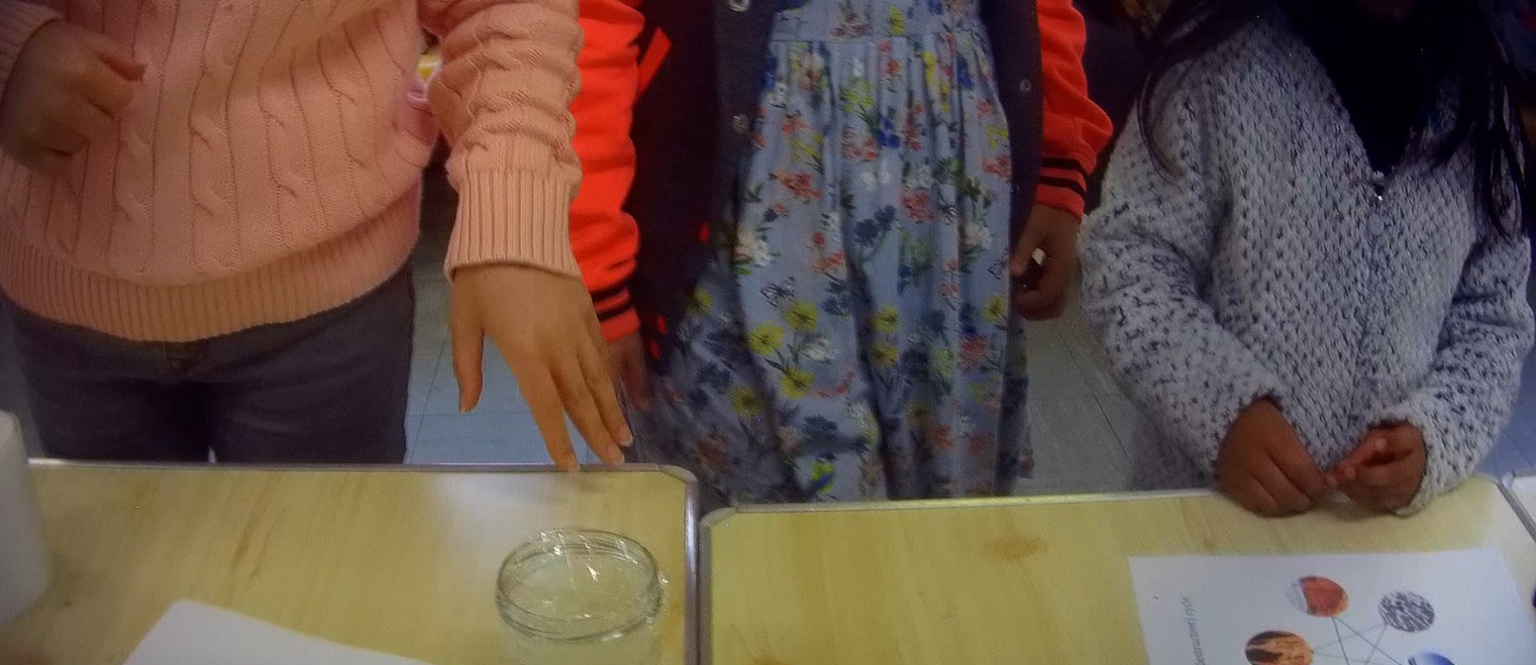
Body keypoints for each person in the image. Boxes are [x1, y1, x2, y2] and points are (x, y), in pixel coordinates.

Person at [0, 0, 627, 467]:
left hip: (330, 304)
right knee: (115, 620)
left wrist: (511, 200)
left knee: (331, 598)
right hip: (64, 285)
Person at [569, 0, 1112, 504]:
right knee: (759, 514)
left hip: (948, 171)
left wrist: (1059, 152)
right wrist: (596, 260)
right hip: (743, 179)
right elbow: (596, 17)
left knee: (942, 498)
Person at [1081, 0, 1535, 516]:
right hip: (1210, 516)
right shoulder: (1213, 62)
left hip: (1381, 540)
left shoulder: (1479, 91)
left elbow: (1495, 319)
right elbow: (1129, 263)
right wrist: (1222, 410)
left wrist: (1438, 432)